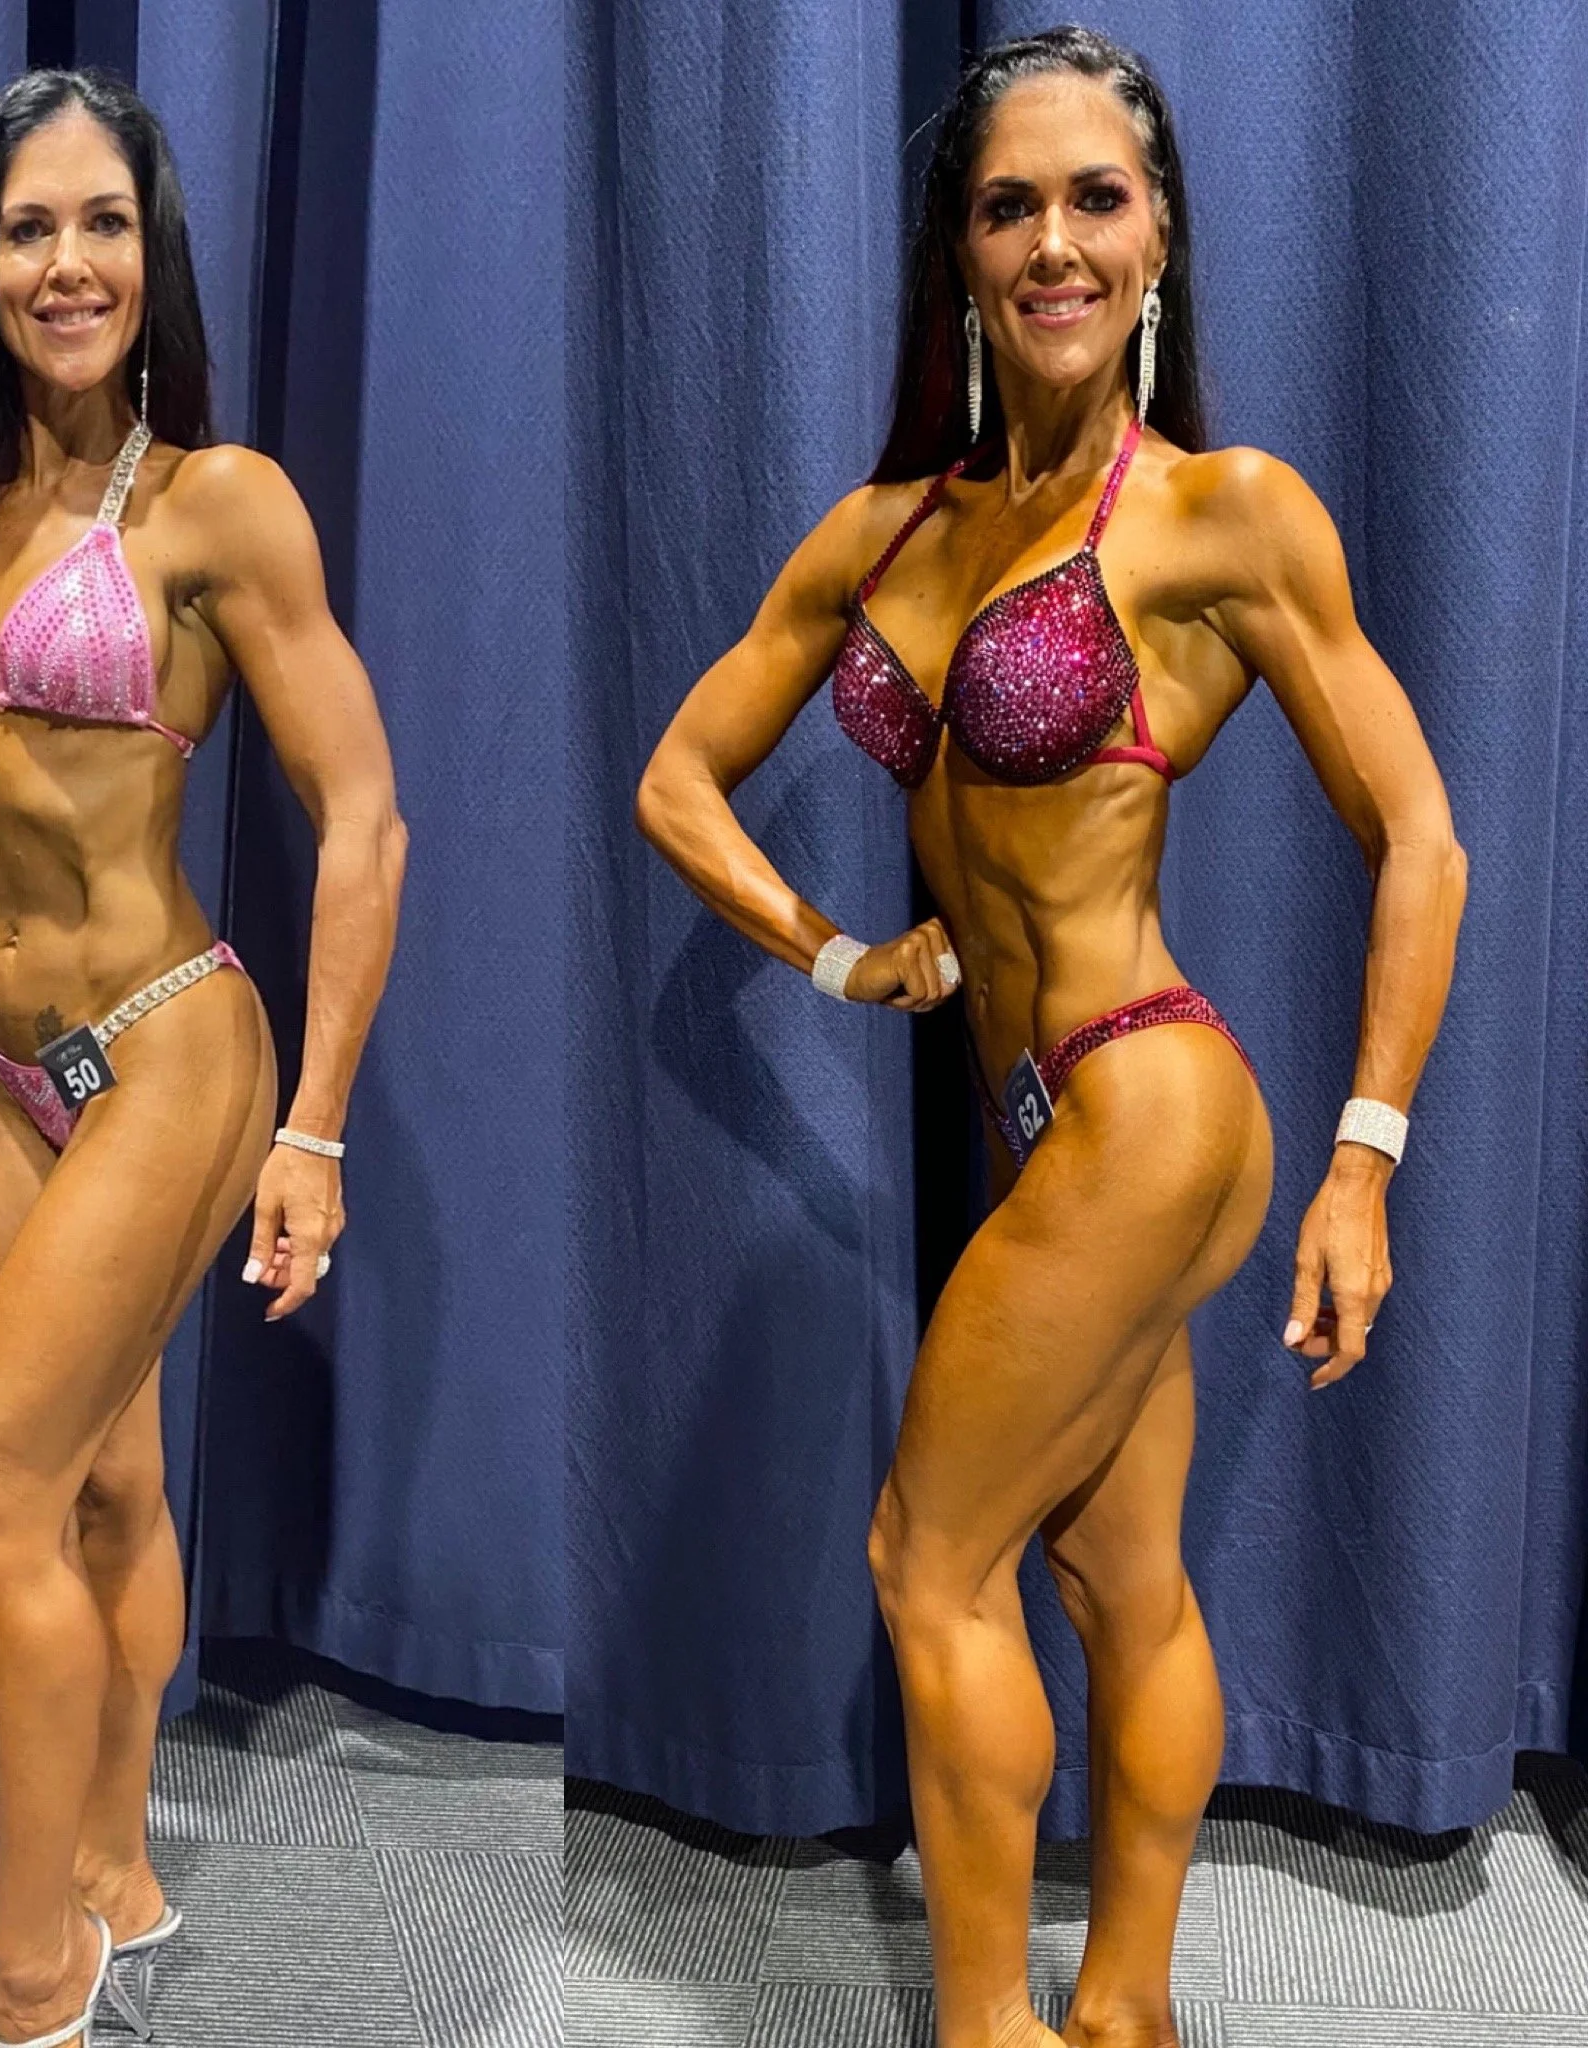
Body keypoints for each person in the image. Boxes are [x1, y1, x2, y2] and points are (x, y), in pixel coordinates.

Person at [635, 27, 1464, 2048]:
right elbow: (674, 778)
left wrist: (1366, 1152)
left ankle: (986, 2028)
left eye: (1097, 196)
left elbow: (1419, 833)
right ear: (960, 251)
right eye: (1011, 203)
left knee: (926, 1562)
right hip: (1048, 1126)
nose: (1054, 240)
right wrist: (836, 958)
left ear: (1160, 232)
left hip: (1151, 1093)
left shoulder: (1223, 513)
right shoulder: (883, 541)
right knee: (1112, 1579)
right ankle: (1125, 2009)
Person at [0, 69, 405, 2048]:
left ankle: (31, 1977)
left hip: (174, 1041)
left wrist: (321, 1134)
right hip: (12, 1077)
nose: (67, 261)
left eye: (103, 220)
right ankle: (113, 1860)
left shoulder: (220, 504)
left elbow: (356, 817)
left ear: (152, 249)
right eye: (29, 227)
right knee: (98, 1486)